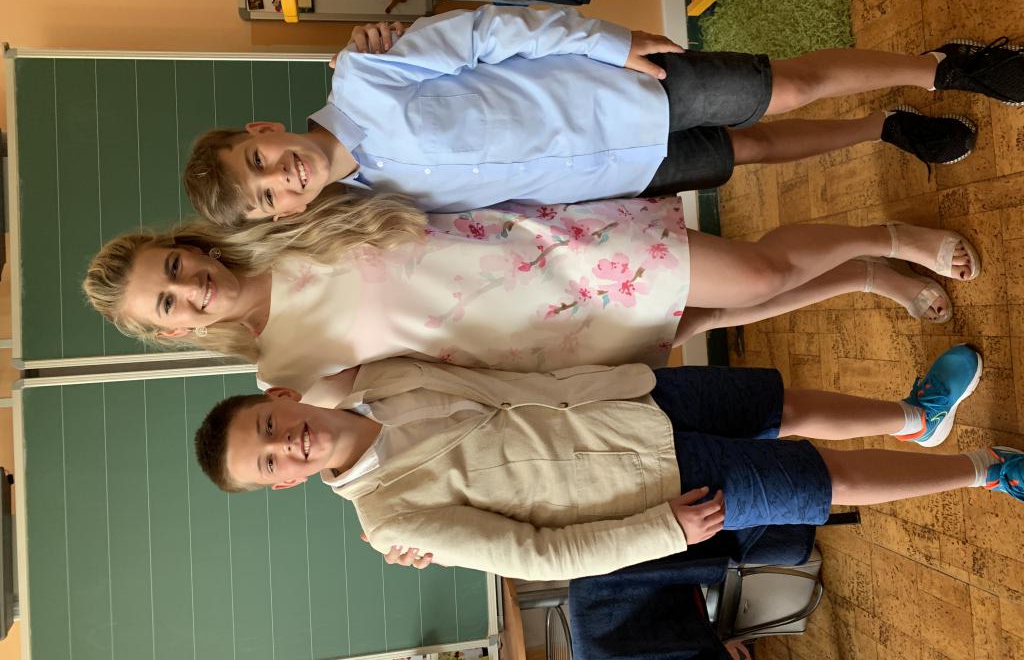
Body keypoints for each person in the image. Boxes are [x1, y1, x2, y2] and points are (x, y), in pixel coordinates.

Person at [192, 344, 1024, 582]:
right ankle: (986, 468)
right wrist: (659, 533)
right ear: (285, 483)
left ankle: (917, 418)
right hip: (652, 486)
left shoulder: (381, 375)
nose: (286, 444)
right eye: (270, 463)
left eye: (270, 426)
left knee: (783, 404)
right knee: (822, 480)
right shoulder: (389, 520)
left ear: (284, 398)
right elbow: (533, 555)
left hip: (627, 393)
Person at [83, 188, 979, 399]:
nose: (188, 290)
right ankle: (865, 278)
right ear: (173, 332)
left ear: (183, 246)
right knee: (723, 311)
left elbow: (366, 151)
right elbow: (373, 433)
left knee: (756, 271)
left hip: (549, 254)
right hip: (538, 347)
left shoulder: (283, 221)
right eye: (168, 305)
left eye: (173, 269)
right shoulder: (281, 375)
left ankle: (889, 239)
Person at [179, 4, 1023, 225]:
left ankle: (947, 67)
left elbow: (490, 35)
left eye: (259, 164)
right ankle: (887, 128)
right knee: (759, 149)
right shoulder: (375, 212)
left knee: (790, 87)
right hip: (620, 171)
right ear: (282, 215)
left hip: (625, 90)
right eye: (267, 198)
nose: (281, 178)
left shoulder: (365, 72)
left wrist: (610, 44)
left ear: (263, 132)